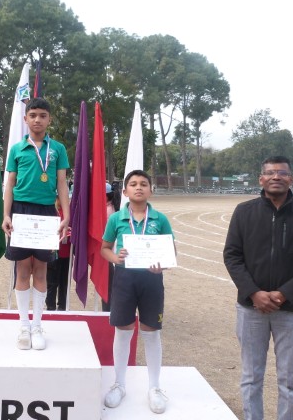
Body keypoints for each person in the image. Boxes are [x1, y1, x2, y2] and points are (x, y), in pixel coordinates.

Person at [223, 156, 293, 420]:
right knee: (251, 377)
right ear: (261, 179)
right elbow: (232, 256)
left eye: (282, 173)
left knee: (290, 381)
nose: (276, 177)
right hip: (251, 308)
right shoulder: (244, 212)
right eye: (270, 172)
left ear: (291, 179)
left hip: (292, 310)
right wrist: (253, 292)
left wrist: (284, 294)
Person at [101, 169, 174, 414]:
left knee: (151, 332)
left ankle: (154, 387)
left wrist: (161, 265)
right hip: (124, 279)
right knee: (123, 331)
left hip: (151, 280)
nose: (139, 187)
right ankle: (119, 384)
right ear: (125, 191)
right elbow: (105, 248)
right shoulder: (116, 219)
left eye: (144, 184)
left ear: (151, 190)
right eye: (133, 184)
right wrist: (116, 258)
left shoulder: (160, 219)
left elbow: (170, 251)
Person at [1, 97, 70, 351]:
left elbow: (62, 183)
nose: (37, 119)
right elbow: (10, 183)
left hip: (46, 213)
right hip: (21, 212)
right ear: (25, 119)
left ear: (49, 119)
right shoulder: (17, 149)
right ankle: (23, 326)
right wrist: (6, 215)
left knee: (41, 270)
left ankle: (38, 326)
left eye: (42, 115)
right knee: (22, 269)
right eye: (33, 115)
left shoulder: (58, 149)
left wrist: (65, 215)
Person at [46, 199, 71, 311]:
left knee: (64, 283)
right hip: (53, 253)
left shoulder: (69, 212)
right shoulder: (51, 211)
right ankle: (50, 306)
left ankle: (62, 306)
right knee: (52, 282)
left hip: (66, 253)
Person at [102, 182, 120, 312]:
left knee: (107, 285)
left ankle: (108, 310)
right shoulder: (112, 207)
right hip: (112, 253)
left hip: (110, 254)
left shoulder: (108, 211)